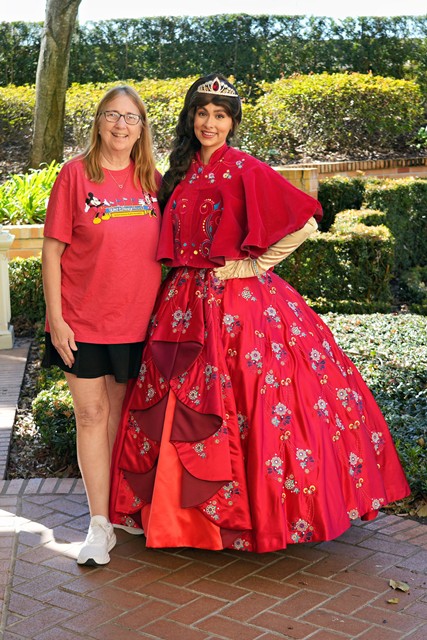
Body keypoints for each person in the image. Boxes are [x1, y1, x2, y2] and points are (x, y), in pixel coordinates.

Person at [109, 74, 410, 553]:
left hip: (237, 304)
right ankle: (169, 517)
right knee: (174, 400)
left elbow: (306, 221)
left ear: (232, 122)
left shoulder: (245, 168)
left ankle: (245, 521)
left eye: (220, 115)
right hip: (180, 304)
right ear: (191, 118)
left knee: (251, 401)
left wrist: (253, 264)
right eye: (202, 113)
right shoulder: (178, 173)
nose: (210, 123)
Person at [42, 85, 162, 565]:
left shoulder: (153, 180)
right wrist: (56, 319)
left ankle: (115, 511)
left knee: (118, 417)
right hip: (84, 322)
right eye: (112, 115)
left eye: (130, 117)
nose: (120, 125)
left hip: (138, 325)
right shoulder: (75, 175)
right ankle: (97, 525)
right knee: (91, 415)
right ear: (98, 121)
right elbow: (52, 250)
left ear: (141, 127)